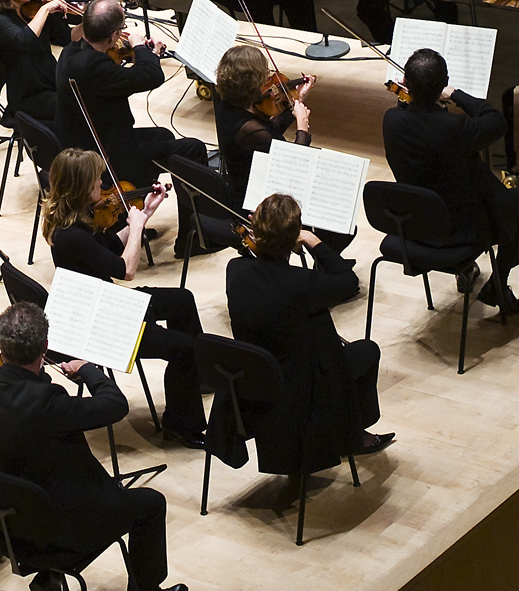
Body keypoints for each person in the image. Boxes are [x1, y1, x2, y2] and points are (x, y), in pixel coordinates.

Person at [0, 301, 190, 591]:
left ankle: (48, 576)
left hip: (11, 526)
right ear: (45, 346)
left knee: (45, 469)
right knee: (151, 504)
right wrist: (87, 369)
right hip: (56, 531)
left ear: (1, 345)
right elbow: (114, 405)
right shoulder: (48, 402)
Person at [43, 149, 206, 447]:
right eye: (97, 179)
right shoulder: (72, 235)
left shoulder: (79, 219)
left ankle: (196, 377)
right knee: (184, 348)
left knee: (181, 300)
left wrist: (144, 215)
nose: (102, 183)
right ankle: (182, 426)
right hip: (99, 324)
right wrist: (138, 228)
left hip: (104, 301)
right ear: (82, 186)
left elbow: (111, 248)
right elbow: (126, 270)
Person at [225, 192, 394, 466]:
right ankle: (352, 436)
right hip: (301, 388)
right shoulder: (301, 283)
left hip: (256, 380)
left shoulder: (235, 270)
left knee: (316, 328)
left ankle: (344, 432)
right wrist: (313, 240)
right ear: (294, 236)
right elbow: (348, 281)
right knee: (366, 351)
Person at [382, 48, 519, 314]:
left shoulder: (391, 121)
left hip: (414, 225)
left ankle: (467, 270)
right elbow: (496, 121)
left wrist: (413, 100)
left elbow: (412, 117)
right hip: (459, 231)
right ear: (444, 83)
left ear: (405, 83)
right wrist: (455, 94)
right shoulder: (454, 128)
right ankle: (498, 284)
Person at [54, 0, 205, 243]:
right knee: (193, 149)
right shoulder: (95, 67)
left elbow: (111, 79)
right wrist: (141, 48)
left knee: (164, 135)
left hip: (89, 140)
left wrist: (135, 54)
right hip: (106, 156)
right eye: (121, 30)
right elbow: (150, 76)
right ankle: (194, 237)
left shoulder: (71, 52)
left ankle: (129, 216)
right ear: (113, 35)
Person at [209, 44, 352, 254]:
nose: (269, 79)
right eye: (264, 75)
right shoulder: (248, 130)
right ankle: (325, 262)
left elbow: (267, 132)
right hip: (258, 205)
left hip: (244, 184)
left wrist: (297, 101)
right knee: (341, 224)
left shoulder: (228, 104)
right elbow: (294, 160)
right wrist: (302, 126)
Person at [0, 0, 70, 123]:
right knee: (77, 107)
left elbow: (66, 37)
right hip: (29, 95)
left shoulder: (32, 9)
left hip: (51, 80)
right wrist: (46, 9)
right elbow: (24, 40)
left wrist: (90, 21)